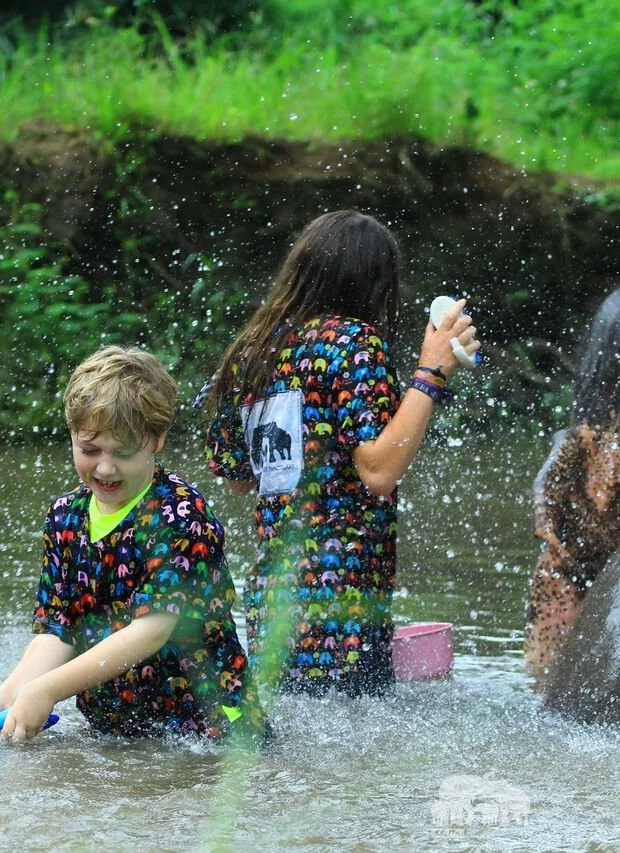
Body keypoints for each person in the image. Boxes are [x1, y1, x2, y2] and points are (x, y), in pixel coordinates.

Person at [203, 210, 481, 696]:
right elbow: (378, 471)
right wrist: (431, 372)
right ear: (374, 283)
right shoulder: (355, 343)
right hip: (343, 603)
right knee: (350, 737)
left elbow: (239, 477)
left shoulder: (252, 351)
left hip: (273, 599)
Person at [0, 345, 265, 742]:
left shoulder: (180, 516)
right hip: (117, 732)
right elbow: (59, 629)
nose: (105, 467)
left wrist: (47, 690)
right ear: (71, 435)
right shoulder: (66, 517)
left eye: (124, 452)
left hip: (209, 732)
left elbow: (151, 631)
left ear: (157, 440)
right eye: (89, 449)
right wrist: (9, 696)